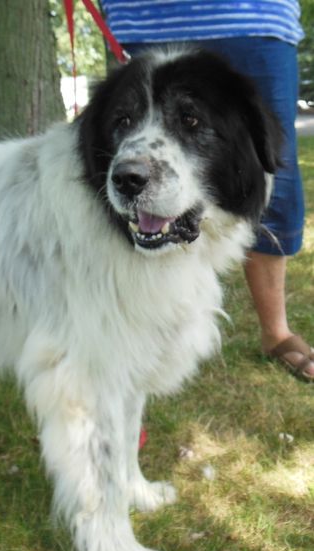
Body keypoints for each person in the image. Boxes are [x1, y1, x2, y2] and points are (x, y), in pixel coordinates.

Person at [100, 0, 313, 382]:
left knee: (271, 172)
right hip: (144, 17)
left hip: (253, 16)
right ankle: (145, 329)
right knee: (140, 173)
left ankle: (276, 331)